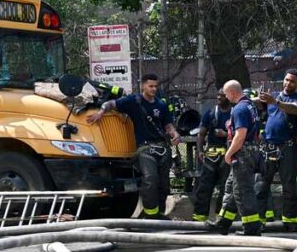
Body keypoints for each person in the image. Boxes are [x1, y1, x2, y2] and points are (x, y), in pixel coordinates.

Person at [86, 73, 179, 218]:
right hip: (145, 149)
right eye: (151, 86)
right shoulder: (133, 101)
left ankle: (160, 214)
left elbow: (167, 124)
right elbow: (111, 104)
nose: (154, 89)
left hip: (162, 148)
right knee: (150, 179)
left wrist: (174, 133)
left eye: (156, 86)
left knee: (164, 184)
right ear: (143, 86)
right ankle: (150, 215)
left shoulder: (161, 104)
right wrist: (101, 112)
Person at [210, 80, 263, 236]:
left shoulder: (239, 109)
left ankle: (252, 228)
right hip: (250, 152)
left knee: (242, 191)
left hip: (243, 154)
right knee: (231, 188)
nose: (225, 97)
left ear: (232, 93)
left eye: (226, 94)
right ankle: (223, 223)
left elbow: (240, 135)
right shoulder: (250, 105)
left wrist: (228, 153)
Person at [256, 69, 297, 232]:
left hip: (288, 148)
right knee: (261, 185)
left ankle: (290, 221)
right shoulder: (273, 95)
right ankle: (258, 220)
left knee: (289, 186)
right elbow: (258, 105)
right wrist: (256, 99)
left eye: (292, 81)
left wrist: (275, 102)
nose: (288, 83)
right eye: (286, 80)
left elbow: (295, 109)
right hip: (268, 147)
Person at [191, 90, 231, 222]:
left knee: (226, 188)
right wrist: (200, 151)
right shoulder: (210, 113)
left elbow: (241, 134)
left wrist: (225, 134)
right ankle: (199, 218)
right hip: (211, 155)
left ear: (229, 96)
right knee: (204, 187)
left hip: (228, 155)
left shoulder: (235, 113)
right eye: (218, 95)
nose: (219, 97)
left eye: (223, 95)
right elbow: (201, 134)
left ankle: (221, 219)